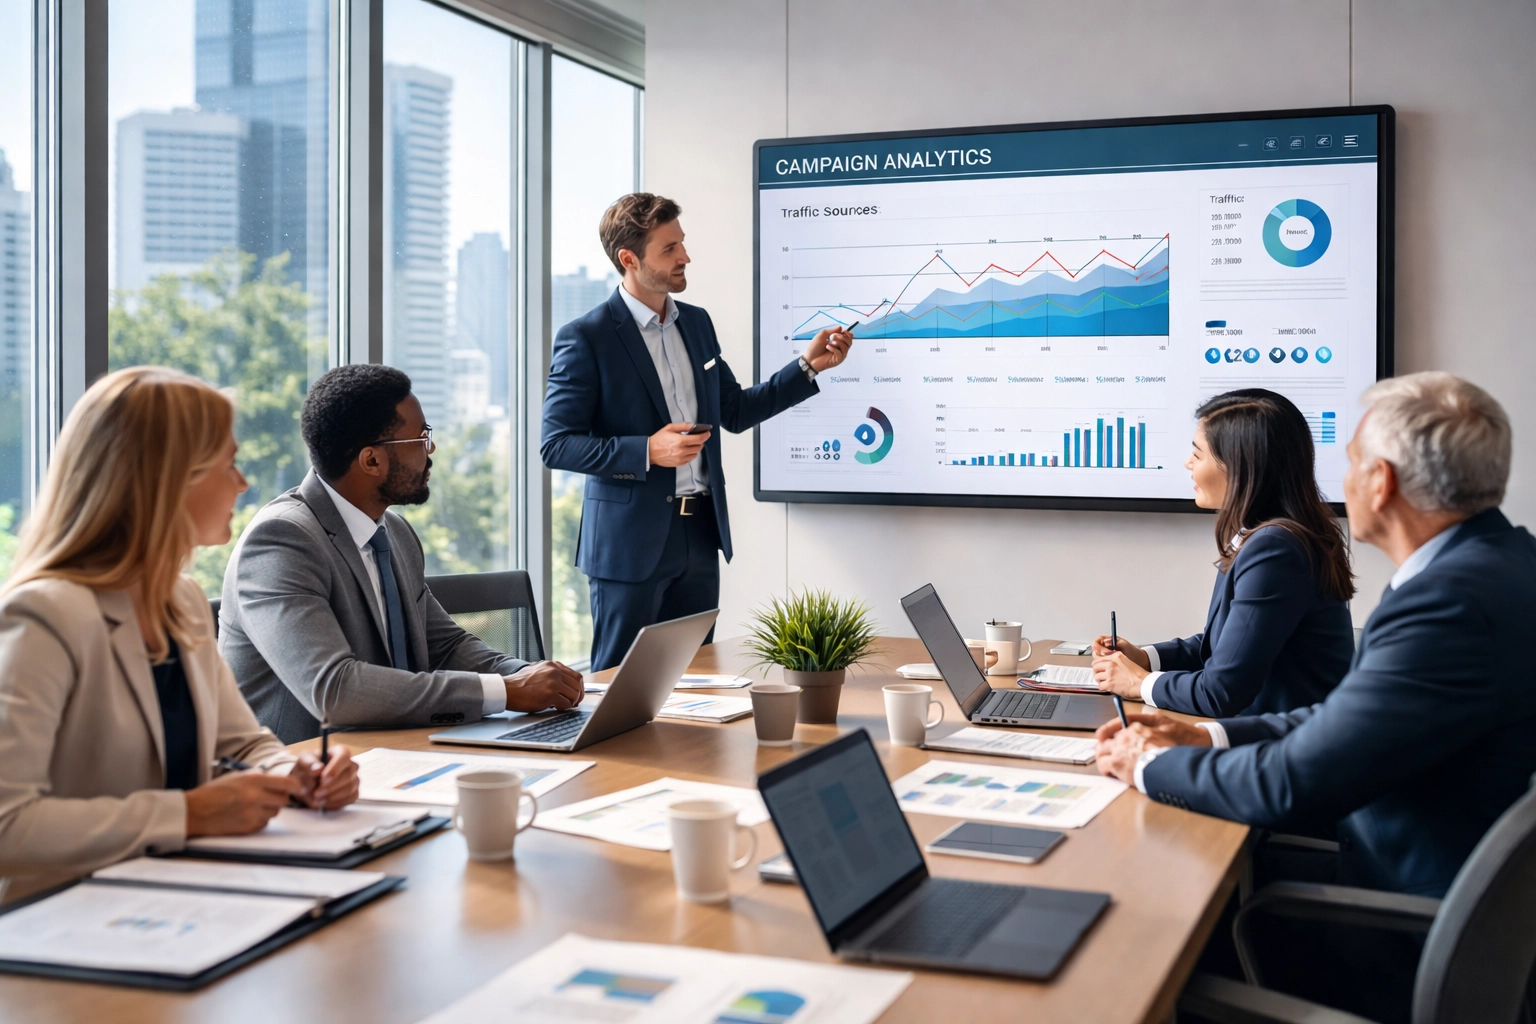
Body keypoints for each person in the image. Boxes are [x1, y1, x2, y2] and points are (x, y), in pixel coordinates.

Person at [1096, 372, 1536, 899]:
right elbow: (1345, 718)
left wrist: (1148, 764)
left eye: (1351, 463)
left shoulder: (1447, 606)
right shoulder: (1497, 566)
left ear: (1382, 481)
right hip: (1410, 870)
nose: (1339, 483)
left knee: (1151, 898)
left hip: (1388, 907)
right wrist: (1206, 735)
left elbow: (1288, 783)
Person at [0, 368, 360, 901]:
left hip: (176, 894)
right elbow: (9, 826)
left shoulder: (181, 599)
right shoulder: (43, 615)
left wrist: (295, 772)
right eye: (229, 464)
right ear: (168, 480)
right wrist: (188, 814)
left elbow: (241, 743)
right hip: (61, 919)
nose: (242, 483)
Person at [541, 193, 854, 670]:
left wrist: (808, 367)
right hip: (630, 547)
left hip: (700, 535)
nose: (685, 256)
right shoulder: (587, 337)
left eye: (681, 244)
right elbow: (556, 444)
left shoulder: (698, 324)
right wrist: (648, 450)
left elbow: (733, 410)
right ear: (629, 259)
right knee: (619, 684)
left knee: (696, 685)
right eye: (669, 249)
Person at [221, 364, 583, 743]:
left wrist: (532, 678)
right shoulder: (282, 541)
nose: (431, 449)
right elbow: (334, 689)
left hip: (392, 751)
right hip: (299, 773)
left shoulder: (393, 532)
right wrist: (507, 692)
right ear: (372, 461)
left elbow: (445, 646)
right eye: (421, 437)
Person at [1091, 389, 1355, 717]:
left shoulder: (1276, 548)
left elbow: (1221, 692)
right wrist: (1146, 658)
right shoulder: (1269, 535)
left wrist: (1140, 683)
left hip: (1279, 748)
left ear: (1239, 467)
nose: (1188, 463)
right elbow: (1225, 646)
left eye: (1197, 454)